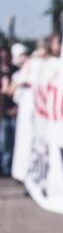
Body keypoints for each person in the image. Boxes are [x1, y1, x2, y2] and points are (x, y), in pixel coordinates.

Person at [0, 45, 16, 176]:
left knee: (11, 142)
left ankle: (8, 167)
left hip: (13, 111)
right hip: (3, 113)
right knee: (3, 141)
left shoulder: (14, 70)